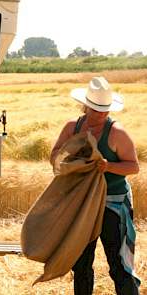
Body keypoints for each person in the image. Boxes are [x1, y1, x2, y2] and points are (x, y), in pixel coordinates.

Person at [50, 77, 140, 295]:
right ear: (86, 106)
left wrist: (107, 166)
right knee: (81, 264)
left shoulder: (117, 133)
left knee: (119, 265)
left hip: (113, 205)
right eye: (97, 110)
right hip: (81, 205)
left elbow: (134, 167)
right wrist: (73, 161)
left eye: (105, 110)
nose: (102, 114)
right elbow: (54, 156)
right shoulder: (73, 127)